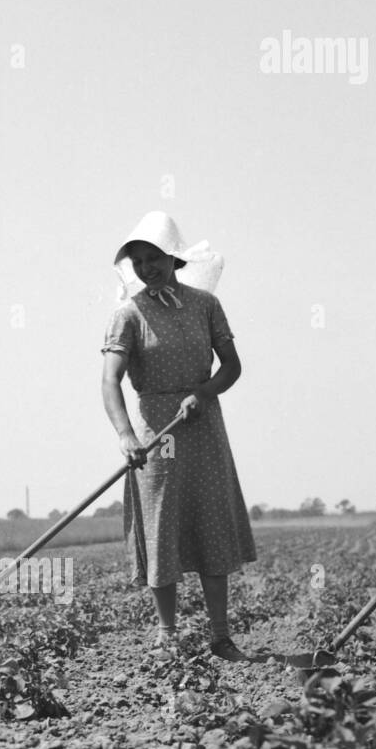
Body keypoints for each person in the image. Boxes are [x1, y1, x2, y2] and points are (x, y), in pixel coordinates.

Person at [100, 212, 256, 659]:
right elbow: (110, 381)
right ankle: (167, 635)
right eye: (138, 261)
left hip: (202, 425)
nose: (146, 268)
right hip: (155, 433)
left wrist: (203, 393)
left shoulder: (205, 305)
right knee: (161, 526)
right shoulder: (127, 315)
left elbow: (232, 366)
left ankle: (221, 636)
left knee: (210, 523)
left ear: (173, 258)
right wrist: (127, 436)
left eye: (154, 258)